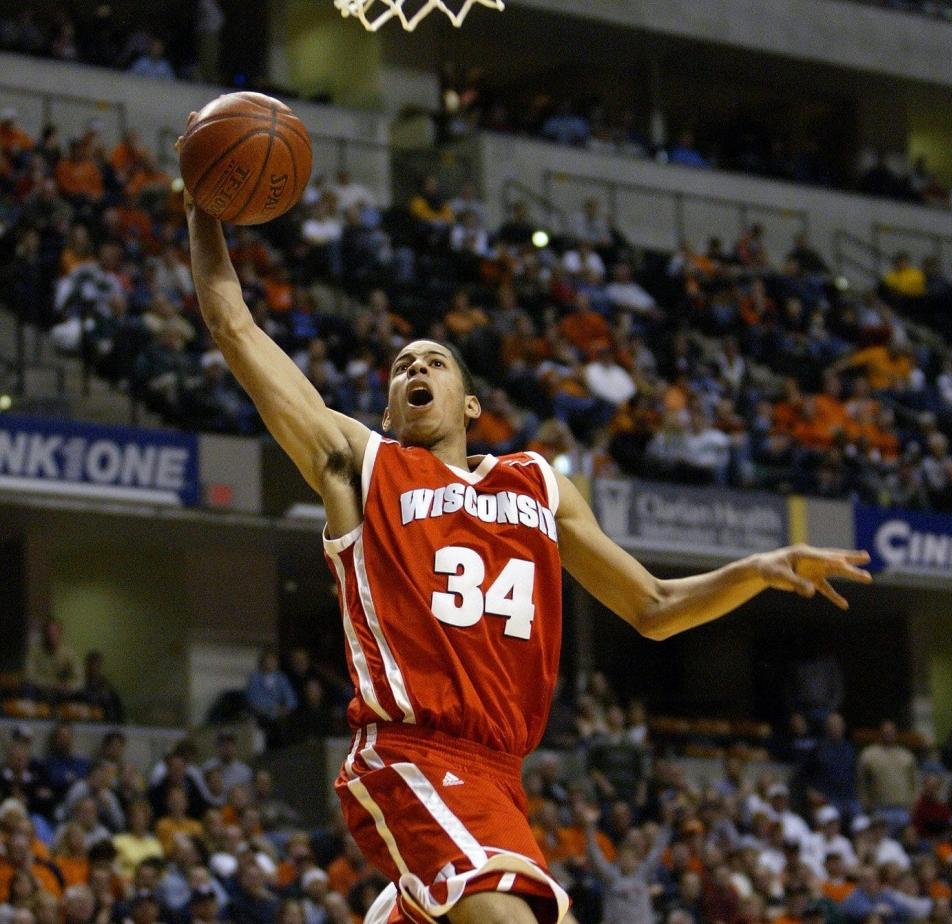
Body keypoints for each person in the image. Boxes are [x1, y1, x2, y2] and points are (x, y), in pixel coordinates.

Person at [181, 115, 872, 924]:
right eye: (402, 364)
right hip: (410, 755)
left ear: (468, 401)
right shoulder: (362, 466)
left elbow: (651, 608)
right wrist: (202, 208)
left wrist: (752, 571)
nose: (414, 368)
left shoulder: (539, 483)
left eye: (433, 361)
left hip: (500, 774)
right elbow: (235, 327)